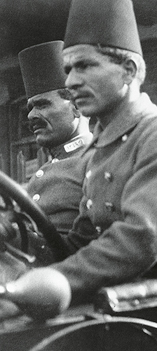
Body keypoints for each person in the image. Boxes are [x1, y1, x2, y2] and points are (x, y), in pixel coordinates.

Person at [3, 0, 157, 308]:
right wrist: (14, 235)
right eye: (68, 70)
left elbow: (138, 242)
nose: (71, 81)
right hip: (127, 296)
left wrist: (47, 282)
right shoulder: (102, 148)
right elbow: (79, 244)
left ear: (128, 71)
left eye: (84, 66)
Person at [18, 40, 93, 238]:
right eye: (30, 108)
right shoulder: (41, 173)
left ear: (77, 106)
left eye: (42, 105)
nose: (31, 115)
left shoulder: (97, 161)